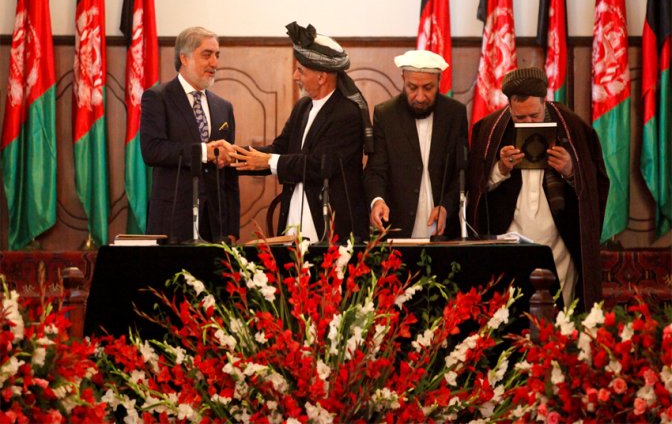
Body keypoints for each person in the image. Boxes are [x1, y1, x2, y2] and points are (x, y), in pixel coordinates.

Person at [466, 67, 609, 309]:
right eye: (520, 118)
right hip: (509, 242)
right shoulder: (491, 129)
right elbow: (476, 188)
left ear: (545, 101)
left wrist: (571, 170)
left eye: (534, 116)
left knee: (557, 314)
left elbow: (596, 182)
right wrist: (500, 168)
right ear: (510, 107)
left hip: (558, 243)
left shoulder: (572, 126)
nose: (528, 123)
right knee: (511, 311)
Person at [230, 22, 369, 242]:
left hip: (330, 224)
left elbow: (319, 165)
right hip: (294, 215)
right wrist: (233, 155)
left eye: (301, 71)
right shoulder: (303, 106)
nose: (295, 76)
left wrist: (269, 161)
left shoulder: (346, 113)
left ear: (322, 77)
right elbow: (280, 149)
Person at [140, 26, 239, 243]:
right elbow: (152, 150)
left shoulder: (224, 107)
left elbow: (229, 170)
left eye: (217, 55)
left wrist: (232, 226)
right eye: (207, 55)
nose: (214, 63)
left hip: (215, 224)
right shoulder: (158, 98)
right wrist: (203, 152)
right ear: (184, 58)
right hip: (173, 220)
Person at [363, 50, 468, 239]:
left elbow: (462, 172)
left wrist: (446, 207)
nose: (420, 97)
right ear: (403, 79)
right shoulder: (386, 115)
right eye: (412, 87)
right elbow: (375, 170)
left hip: (444, 231)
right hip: (398, 229)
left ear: (439, 81)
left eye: (428, 88)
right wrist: (377, 201)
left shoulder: (455, 114)